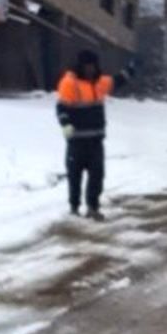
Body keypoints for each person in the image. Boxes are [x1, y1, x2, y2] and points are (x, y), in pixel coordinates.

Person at [56, 49, 130, 220]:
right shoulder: (70, 83)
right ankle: (74, 207)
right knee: (75, 177)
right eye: (87, 66)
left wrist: (131, 69)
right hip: (77, 142)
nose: (90, 69)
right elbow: (62, 108)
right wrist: (65, 123)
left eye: (93, 66)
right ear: (80, 66)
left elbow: (117, 81)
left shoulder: (100, 83)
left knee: (97, 176)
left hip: (96, 141)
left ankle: (92, 208)